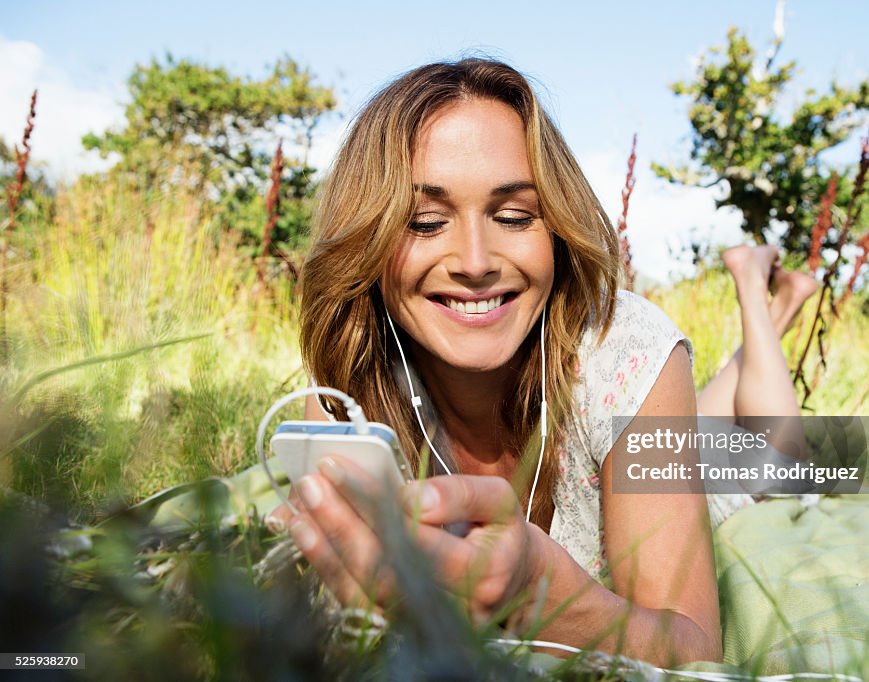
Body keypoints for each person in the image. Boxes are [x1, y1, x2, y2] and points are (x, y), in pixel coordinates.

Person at [268, 57, 817, 667]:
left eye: (513, 217)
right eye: (425, 223)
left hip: (676, 456)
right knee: (704, 413)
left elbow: (692, 652)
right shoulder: (350, 384)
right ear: (366, 242)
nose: (475, 261)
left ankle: (759, 298)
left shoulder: (625, 347)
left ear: (554, 230)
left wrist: (540, 596)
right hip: (644, 429)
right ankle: (760, 330)